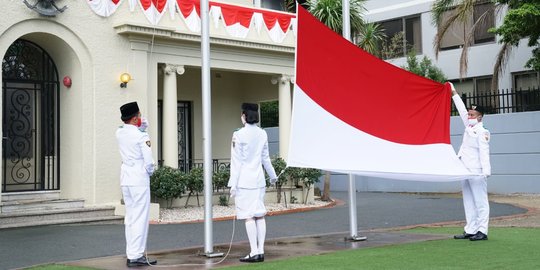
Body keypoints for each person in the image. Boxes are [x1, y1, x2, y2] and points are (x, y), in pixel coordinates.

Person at [228, 103, 278, 263]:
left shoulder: (238, 134)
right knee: (259, 215)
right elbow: (265, 158)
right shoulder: (262, 134)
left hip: (244, 181)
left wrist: (232, 184)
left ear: (244, 116)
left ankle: (254, 251)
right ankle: (260, 251)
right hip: (259, 180)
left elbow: (236, 162)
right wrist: (273, 175)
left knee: (248, 216)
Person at [116, 102, 158, 266]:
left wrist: (142, 126)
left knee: (131, 217)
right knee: (141, 217)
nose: (141, 118)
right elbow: (148, 161)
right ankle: (137, 255)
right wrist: (151, 171)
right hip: (139, 179)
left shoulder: (119, 132)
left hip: (126, 178)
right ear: (134, 119)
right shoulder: (141, 136)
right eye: (139, 116)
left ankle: (131, 253)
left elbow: (129, 130)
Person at [449, 83, 491, 241]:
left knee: (480, 201)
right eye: (469, 114)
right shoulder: (469, 126)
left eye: (472, 114)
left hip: (477, 171)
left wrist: (486, 172)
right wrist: (454, 93)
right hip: (465, 170)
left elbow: (484, 152)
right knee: (468, 200)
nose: (469, 116)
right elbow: (461, 110)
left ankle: (483, 230)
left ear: (479, 117)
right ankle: (471, 229)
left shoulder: (482, 131)